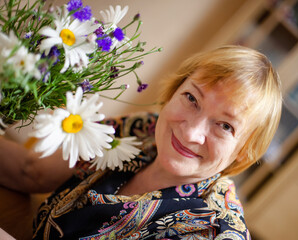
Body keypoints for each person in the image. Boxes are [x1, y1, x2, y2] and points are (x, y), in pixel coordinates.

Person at [0, 45, 282, 239]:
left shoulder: (211, 230)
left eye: (224, 126)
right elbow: (31, 171)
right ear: (173, 92)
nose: (191, 132)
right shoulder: (143, 128)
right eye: (192, 98)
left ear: (243, 153)